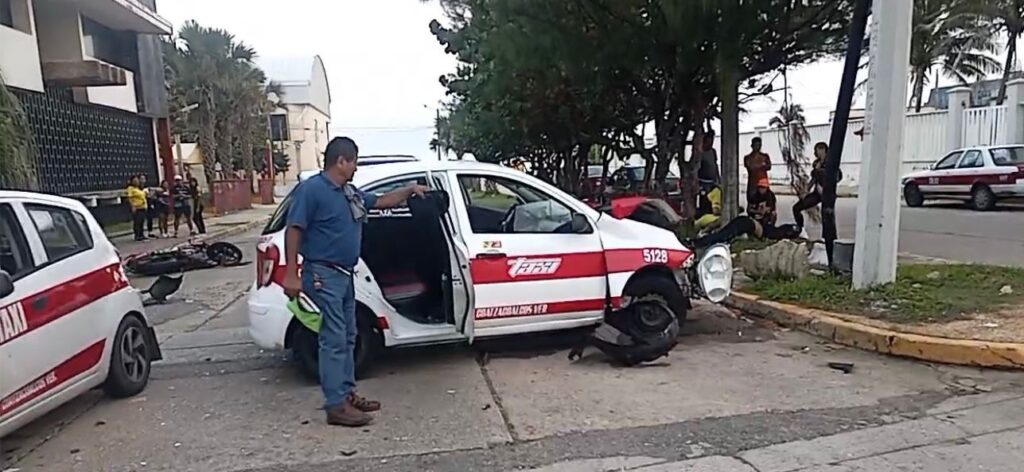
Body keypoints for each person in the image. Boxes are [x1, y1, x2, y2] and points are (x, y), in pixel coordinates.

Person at [282, 137, 427, 427]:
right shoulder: (312, 190)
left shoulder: (348, 193)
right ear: (341, 161)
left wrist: (410, 189)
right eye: (354, 162)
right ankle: (336, 406)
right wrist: (291, 272)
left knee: (348, 337)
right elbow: (294, 229)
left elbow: (382, 201)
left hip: (344, 275)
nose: (356, 168)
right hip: (323, 275)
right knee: (333, 340)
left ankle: (346, 394)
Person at [691, 182, 800, 248]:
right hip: (749, 223)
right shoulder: (774, 230)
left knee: (724, 234)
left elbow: (766, 222)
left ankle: (699, 242)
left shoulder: (773, 229)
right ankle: (699, 241)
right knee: (724, 234)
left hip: (749, 223)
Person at [792, 142, 843, 230]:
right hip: (817, 193)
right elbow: (814, 178)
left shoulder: (831, 162)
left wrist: (821, 171)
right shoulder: (816, 163)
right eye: (818, 150)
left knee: (827, 215)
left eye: (821, 150)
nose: (819, 152)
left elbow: (838, 177)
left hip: (828, 193)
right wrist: (806, 190)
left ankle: (828, 237)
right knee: (796, 208)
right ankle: (800, 229)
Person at [744, 137, 771, 201]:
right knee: (752, 203)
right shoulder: (748, 158)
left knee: (765, 202)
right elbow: (750, 168)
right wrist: (762, 165)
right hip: (752, 184)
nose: (758, 147)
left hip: (763, 183)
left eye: (759, 145)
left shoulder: (765, 156)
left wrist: (756, 166)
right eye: (756, 145)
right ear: (752, 146)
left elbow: (769, 166)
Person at [126, 176, 148, 241]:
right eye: (134, 180)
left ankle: (142, 234)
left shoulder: (139, 188)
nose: (136, 181)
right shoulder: (131, 188)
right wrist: (132, 206)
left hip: (143, 207)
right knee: (137, 222)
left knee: (142, 221)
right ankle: (137, 235)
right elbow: (129, 198)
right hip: (137, 207)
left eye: (137, 180)